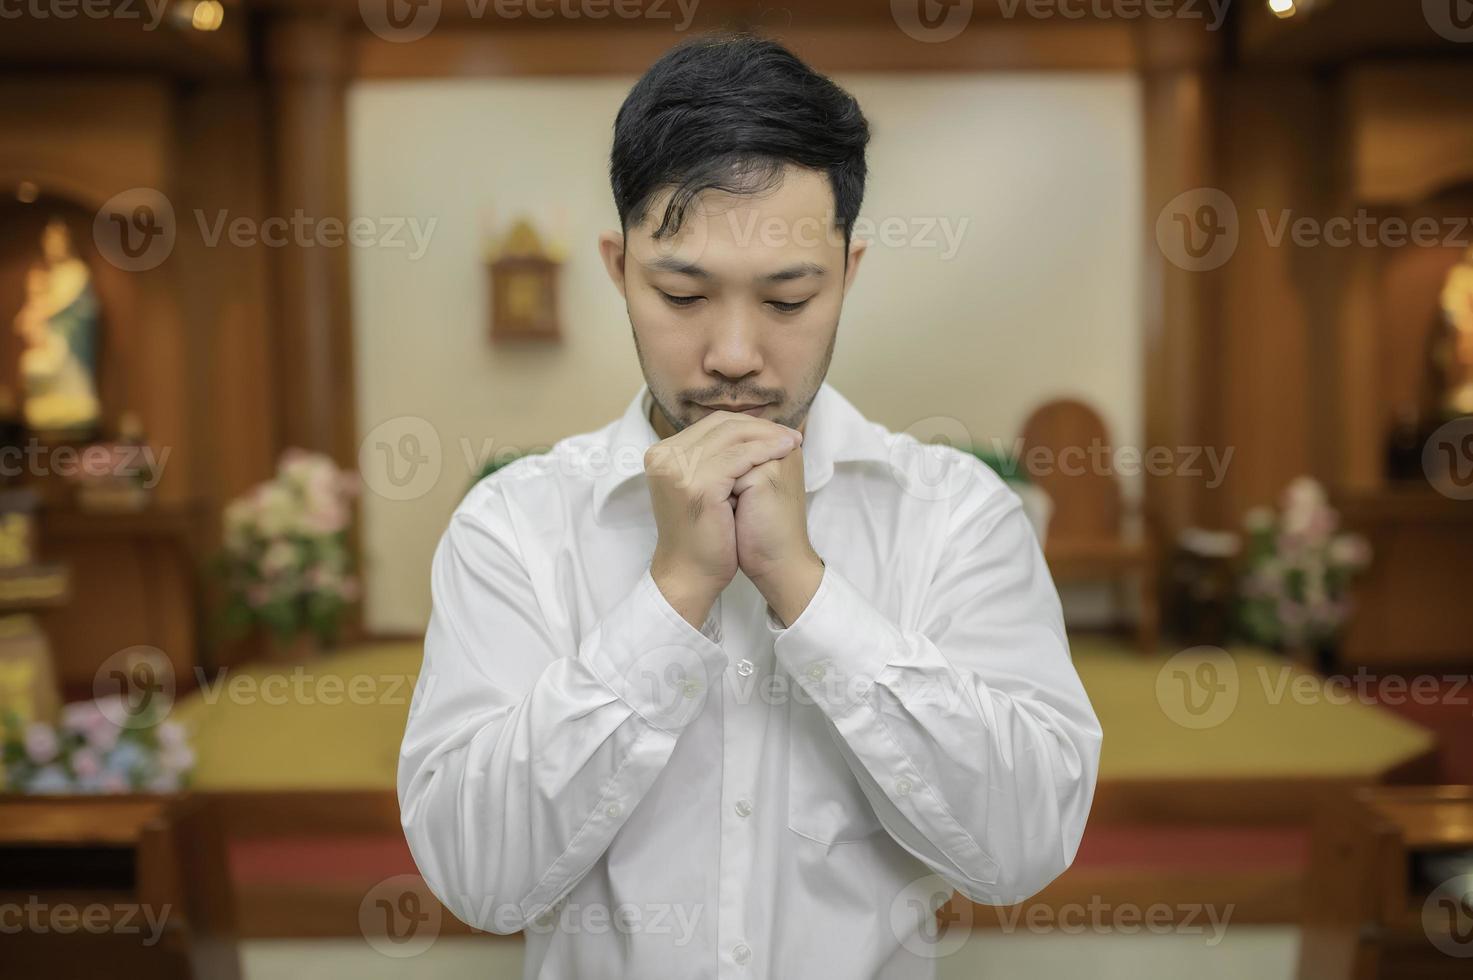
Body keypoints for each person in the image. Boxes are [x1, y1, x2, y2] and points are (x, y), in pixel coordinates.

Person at [398, 31, 1101, 979]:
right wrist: (672, 594)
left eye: (786, 299)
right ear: (618, 268)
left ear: (848, 275)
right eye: (682, 295)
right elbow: (477, 880)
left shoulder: (954, 517)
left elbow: (1022, 850)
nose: (732, 352)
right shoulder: (515, 529)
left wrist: (807, 593)